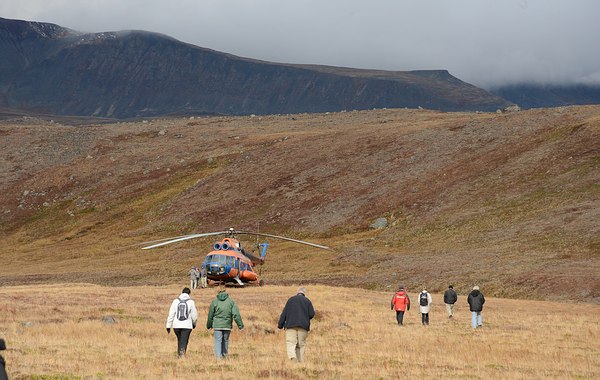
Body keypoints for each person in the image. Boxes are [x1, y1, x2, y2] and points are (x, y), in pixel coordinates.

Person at [278, 286, 315, 362]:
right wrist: (305, 318)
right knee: (301, 345)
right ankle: (300, 362)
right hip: (303, 327)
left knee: (291, 342)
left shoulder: (291, 300)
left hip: (290, 326)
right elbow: (311, 314)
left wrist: (280, 325)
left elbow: (284, 314)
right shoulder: (307, 301)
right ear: (304, 293)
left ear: (297, 292)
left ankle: (292, 357)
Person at [206, 288, 244, 359]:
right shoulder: (231, 302)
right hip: (227, 325)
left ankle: (218, 358)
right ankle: (224, 356)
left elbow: (210, 315)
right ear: (226, 292)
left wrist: (209, 325)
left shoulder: (215, 302)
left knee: (218, 341)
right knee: (225, 340)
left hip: (217, 325)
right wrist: (240, 326)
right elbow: (236, 315)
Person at [166, 287, 199, 357]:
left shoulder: (175, 301)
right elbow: (194, 315)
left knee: (180, 340)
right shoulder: (191, 302)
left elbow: (171, 314)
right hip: (187, 325)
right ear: (189, 293)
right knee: (184, 341)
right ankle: (182, 355)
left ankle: (179, 354)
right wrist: (194, 323)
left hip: (176, 326)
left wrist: (168, 326)